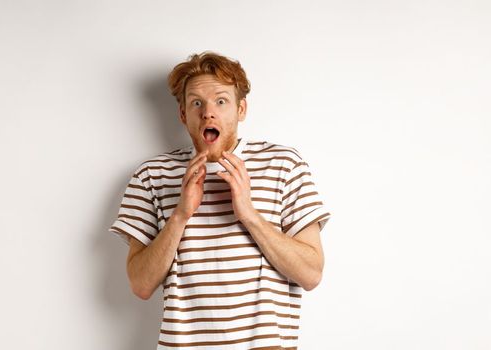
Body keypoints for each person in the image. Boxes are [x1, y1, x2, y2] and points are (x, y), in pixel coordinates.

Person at [108, 51, 331, 349]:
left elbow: (311, 274)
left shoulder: (284, 164)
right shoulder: (151, 175)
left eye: (221, 101)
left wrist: (249, 214)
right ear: (183, 114)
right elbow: (141, 284)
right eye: (196, 102)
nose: (208, 112)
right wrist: (180, 215)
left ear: (241, 109)